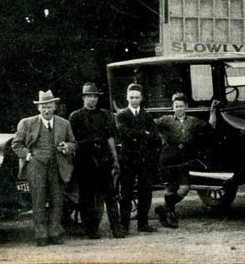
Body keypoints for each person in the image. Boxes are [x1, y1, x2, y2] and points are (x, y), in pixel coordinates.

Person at [10, 90, 75, 247]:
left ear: (55, 107)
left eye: (49, 106)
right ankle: (41, 235)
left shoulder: (64, 123)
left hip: (57, 165)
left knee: (57, 200)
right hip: (36, 165)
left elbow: (73, 143)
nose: (46, 110)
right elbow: (16, 144)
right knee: (38, 200)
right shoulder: (26, 123)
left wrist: (67, 147)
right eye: (43, 107)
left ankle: (54, 232)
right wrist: (28, 156)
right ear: (38, 108)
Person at [68, 83, 124, 238]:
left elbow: (110, 138)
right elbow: (72, 141)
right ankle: (91, 230)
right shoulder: (75, 116)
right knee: (86, 197)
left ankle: (116, 228)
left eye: (94, 96)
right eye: (89, 96)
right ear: (83, 98)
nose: (92, 100)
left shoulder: (105, 115)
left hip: (103, 160)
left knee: (110, 195)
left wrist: (115, 159)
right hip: (84, 161)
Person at [152, 93, 213, 228]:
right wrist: (160, 137)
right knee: (170, 188)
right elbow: (151, 125)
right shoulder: (166, 120)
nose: (179, 109)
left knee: (185, 188)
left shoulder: (193, 121)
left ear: (186, 107)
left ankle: (164, 208)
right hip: (168, 159)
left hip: (183, 160)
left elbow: (209, 126)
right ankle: (170, 218)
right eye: (176, 106)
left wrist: (213, 110)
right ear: (173, 107)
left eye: (181, 106)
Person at [114, 84, 160, 233]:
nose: (134, 100)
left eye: (137, 97)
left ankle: (143, 223)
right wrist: (143, 133)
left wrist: (139, 135)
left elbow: (154, 136)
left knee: (145, 191)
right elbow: (124, 133)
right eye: (131, 97)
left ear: (141, 98)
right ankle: (124, 225)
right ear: (127, 98)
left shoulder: (147, 116)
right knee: (126, 192)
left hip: (144, 159)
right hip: (128, 159)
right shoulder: (121, 115)